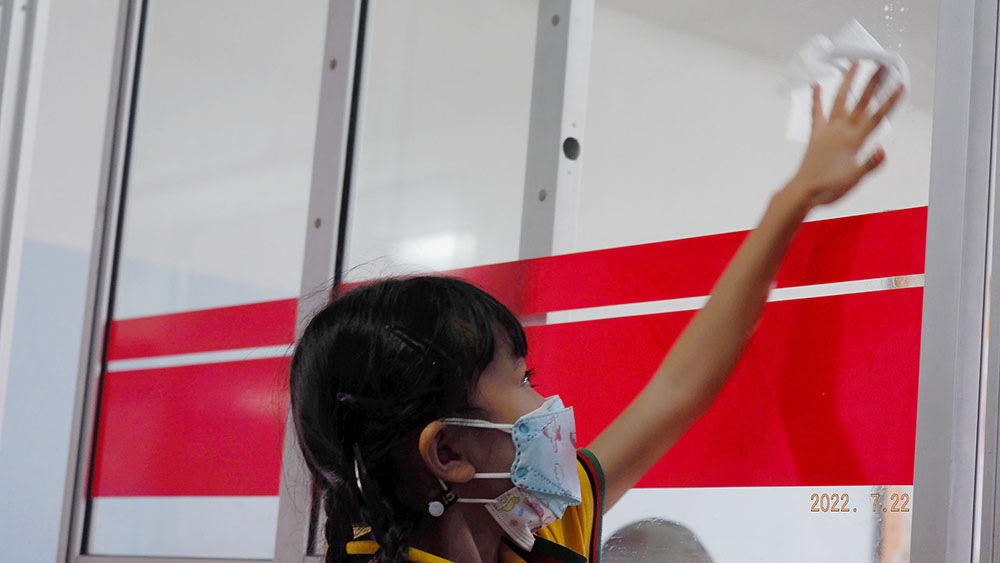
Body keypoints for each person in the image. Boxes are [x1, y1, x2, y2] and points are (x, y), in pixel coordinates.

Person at [289, 63, 903, 563]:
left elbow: (680, 388)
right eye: (523, 382)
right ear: (449, 453)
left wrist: (793, 198)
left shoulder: (532, 531)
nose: (550, 407)